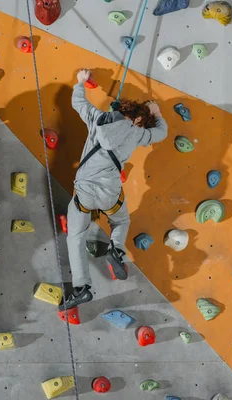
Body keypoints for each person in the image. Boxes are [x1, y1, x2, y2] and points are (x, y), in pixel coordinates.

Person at [60, 69, 168, 310]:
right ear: (139, 120)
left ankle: (82, 288)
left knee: (76, 237)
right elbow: (162, 133)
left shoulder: (98, 119)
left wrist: (80, 81)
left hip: (84, 193)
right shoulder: (139, 134)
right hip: (110, 193)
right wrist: (156, 113)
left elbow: (77, 102)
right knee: (121, 222)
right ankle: (116, 249)